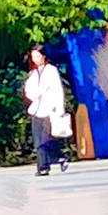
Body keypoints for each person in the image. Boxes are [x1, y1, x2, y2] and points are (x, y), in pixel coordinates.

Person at [24, 45, 69, 176]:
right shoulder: (33, 73)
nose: (36, 59)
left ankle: (47, 164)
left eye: (38, 56)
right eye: (33, 57)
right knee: (38, 141)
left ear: (44, 56)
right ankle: (51, 162)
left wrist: (60, 108)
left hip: (49, 109)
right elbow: (28, 90)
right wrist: (34, 95)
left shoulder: (51, 71)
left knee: (45, 139)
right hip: (36, 110)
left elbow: (58, 90)